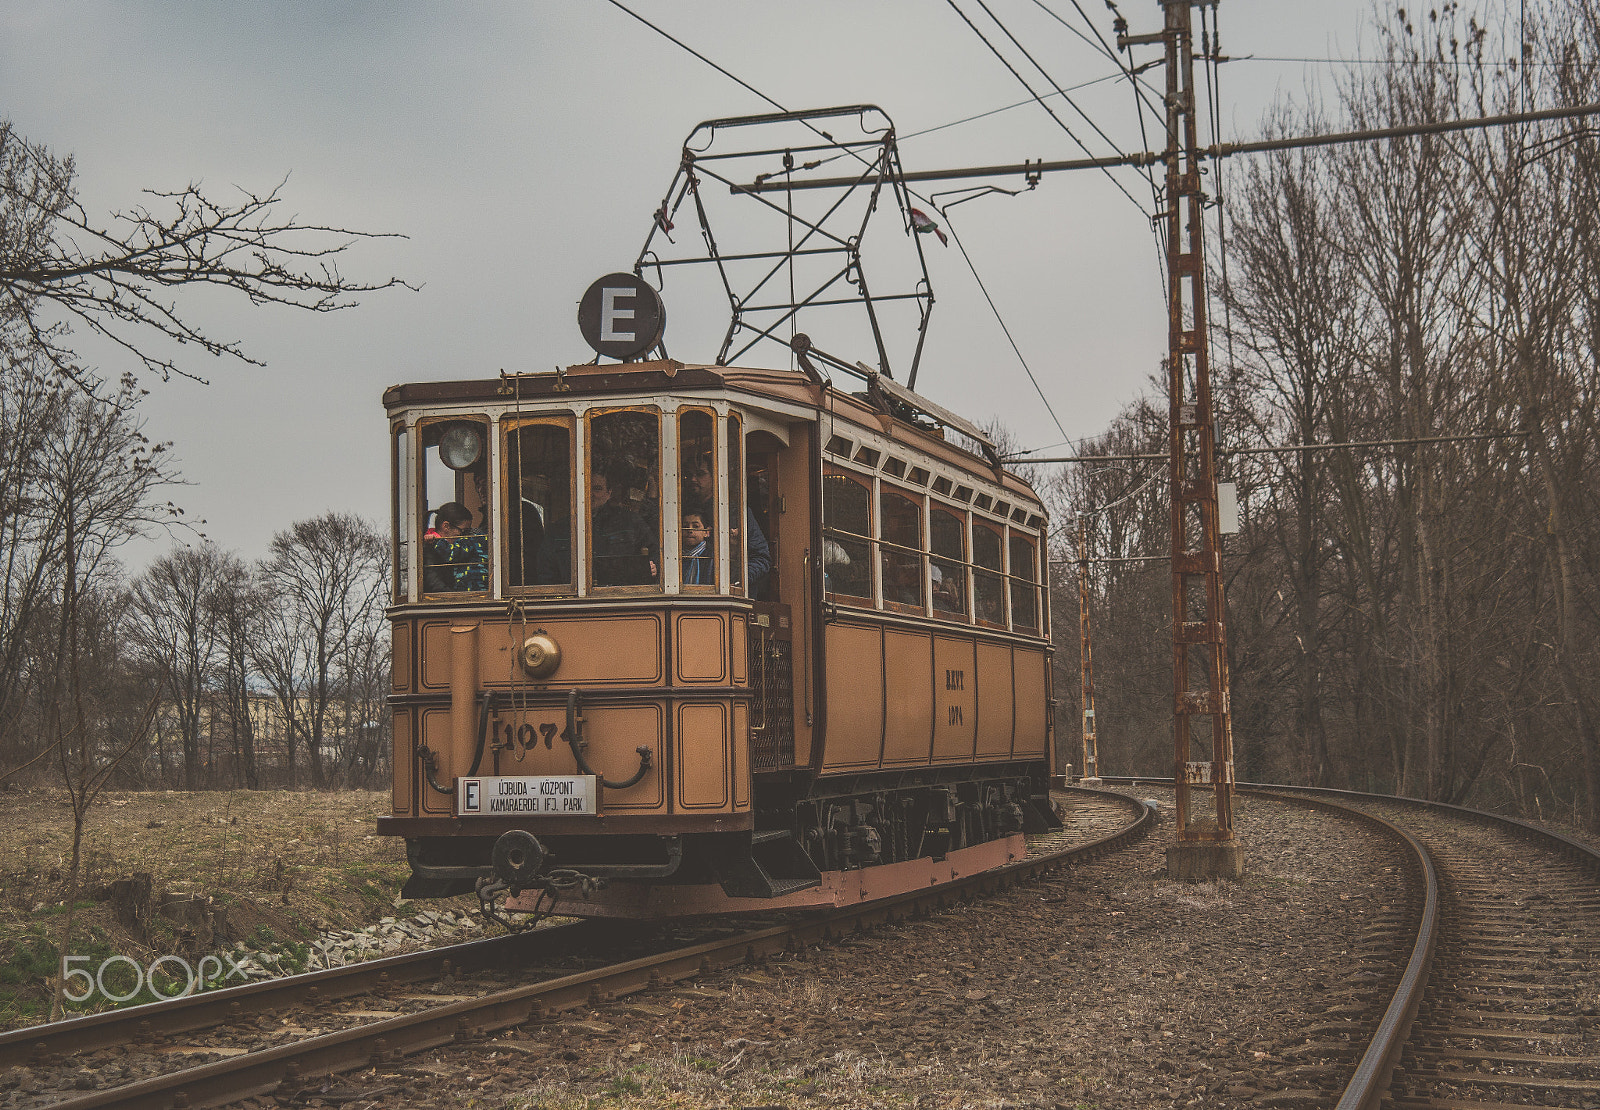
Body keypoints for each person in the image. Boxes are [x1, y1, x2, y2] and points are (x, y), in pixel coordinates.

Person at [685, 454, 771, 592]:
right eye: (689, 475)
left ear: (715, 478)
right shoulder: (683, 512)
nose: (693, 479)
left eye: (700, 474)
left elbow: (761, 559)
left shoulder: (736, 513)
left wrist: (736, 581)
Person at [590, 467, 656, 586]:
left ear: (609, 493)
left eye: (597, 489)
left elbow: (655, 553)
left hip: (623, 596)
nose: (590, 494)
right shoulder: (562, 528)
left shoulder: (629, 521)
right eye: (586, 488)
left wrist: (653, 567)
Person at [424, 502, 487, 592]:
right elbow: (435, 584)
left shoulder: (463, 546)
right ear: (446, 526)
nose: (464, 537)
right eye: (463, 531)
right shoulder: (431, 549)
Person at [681, 502, 713, 586]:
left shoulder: (713, 557)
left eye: (695, 526)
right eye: (685, 526)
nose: (690, 530)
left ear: (706, 532)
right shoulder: (675, 556)